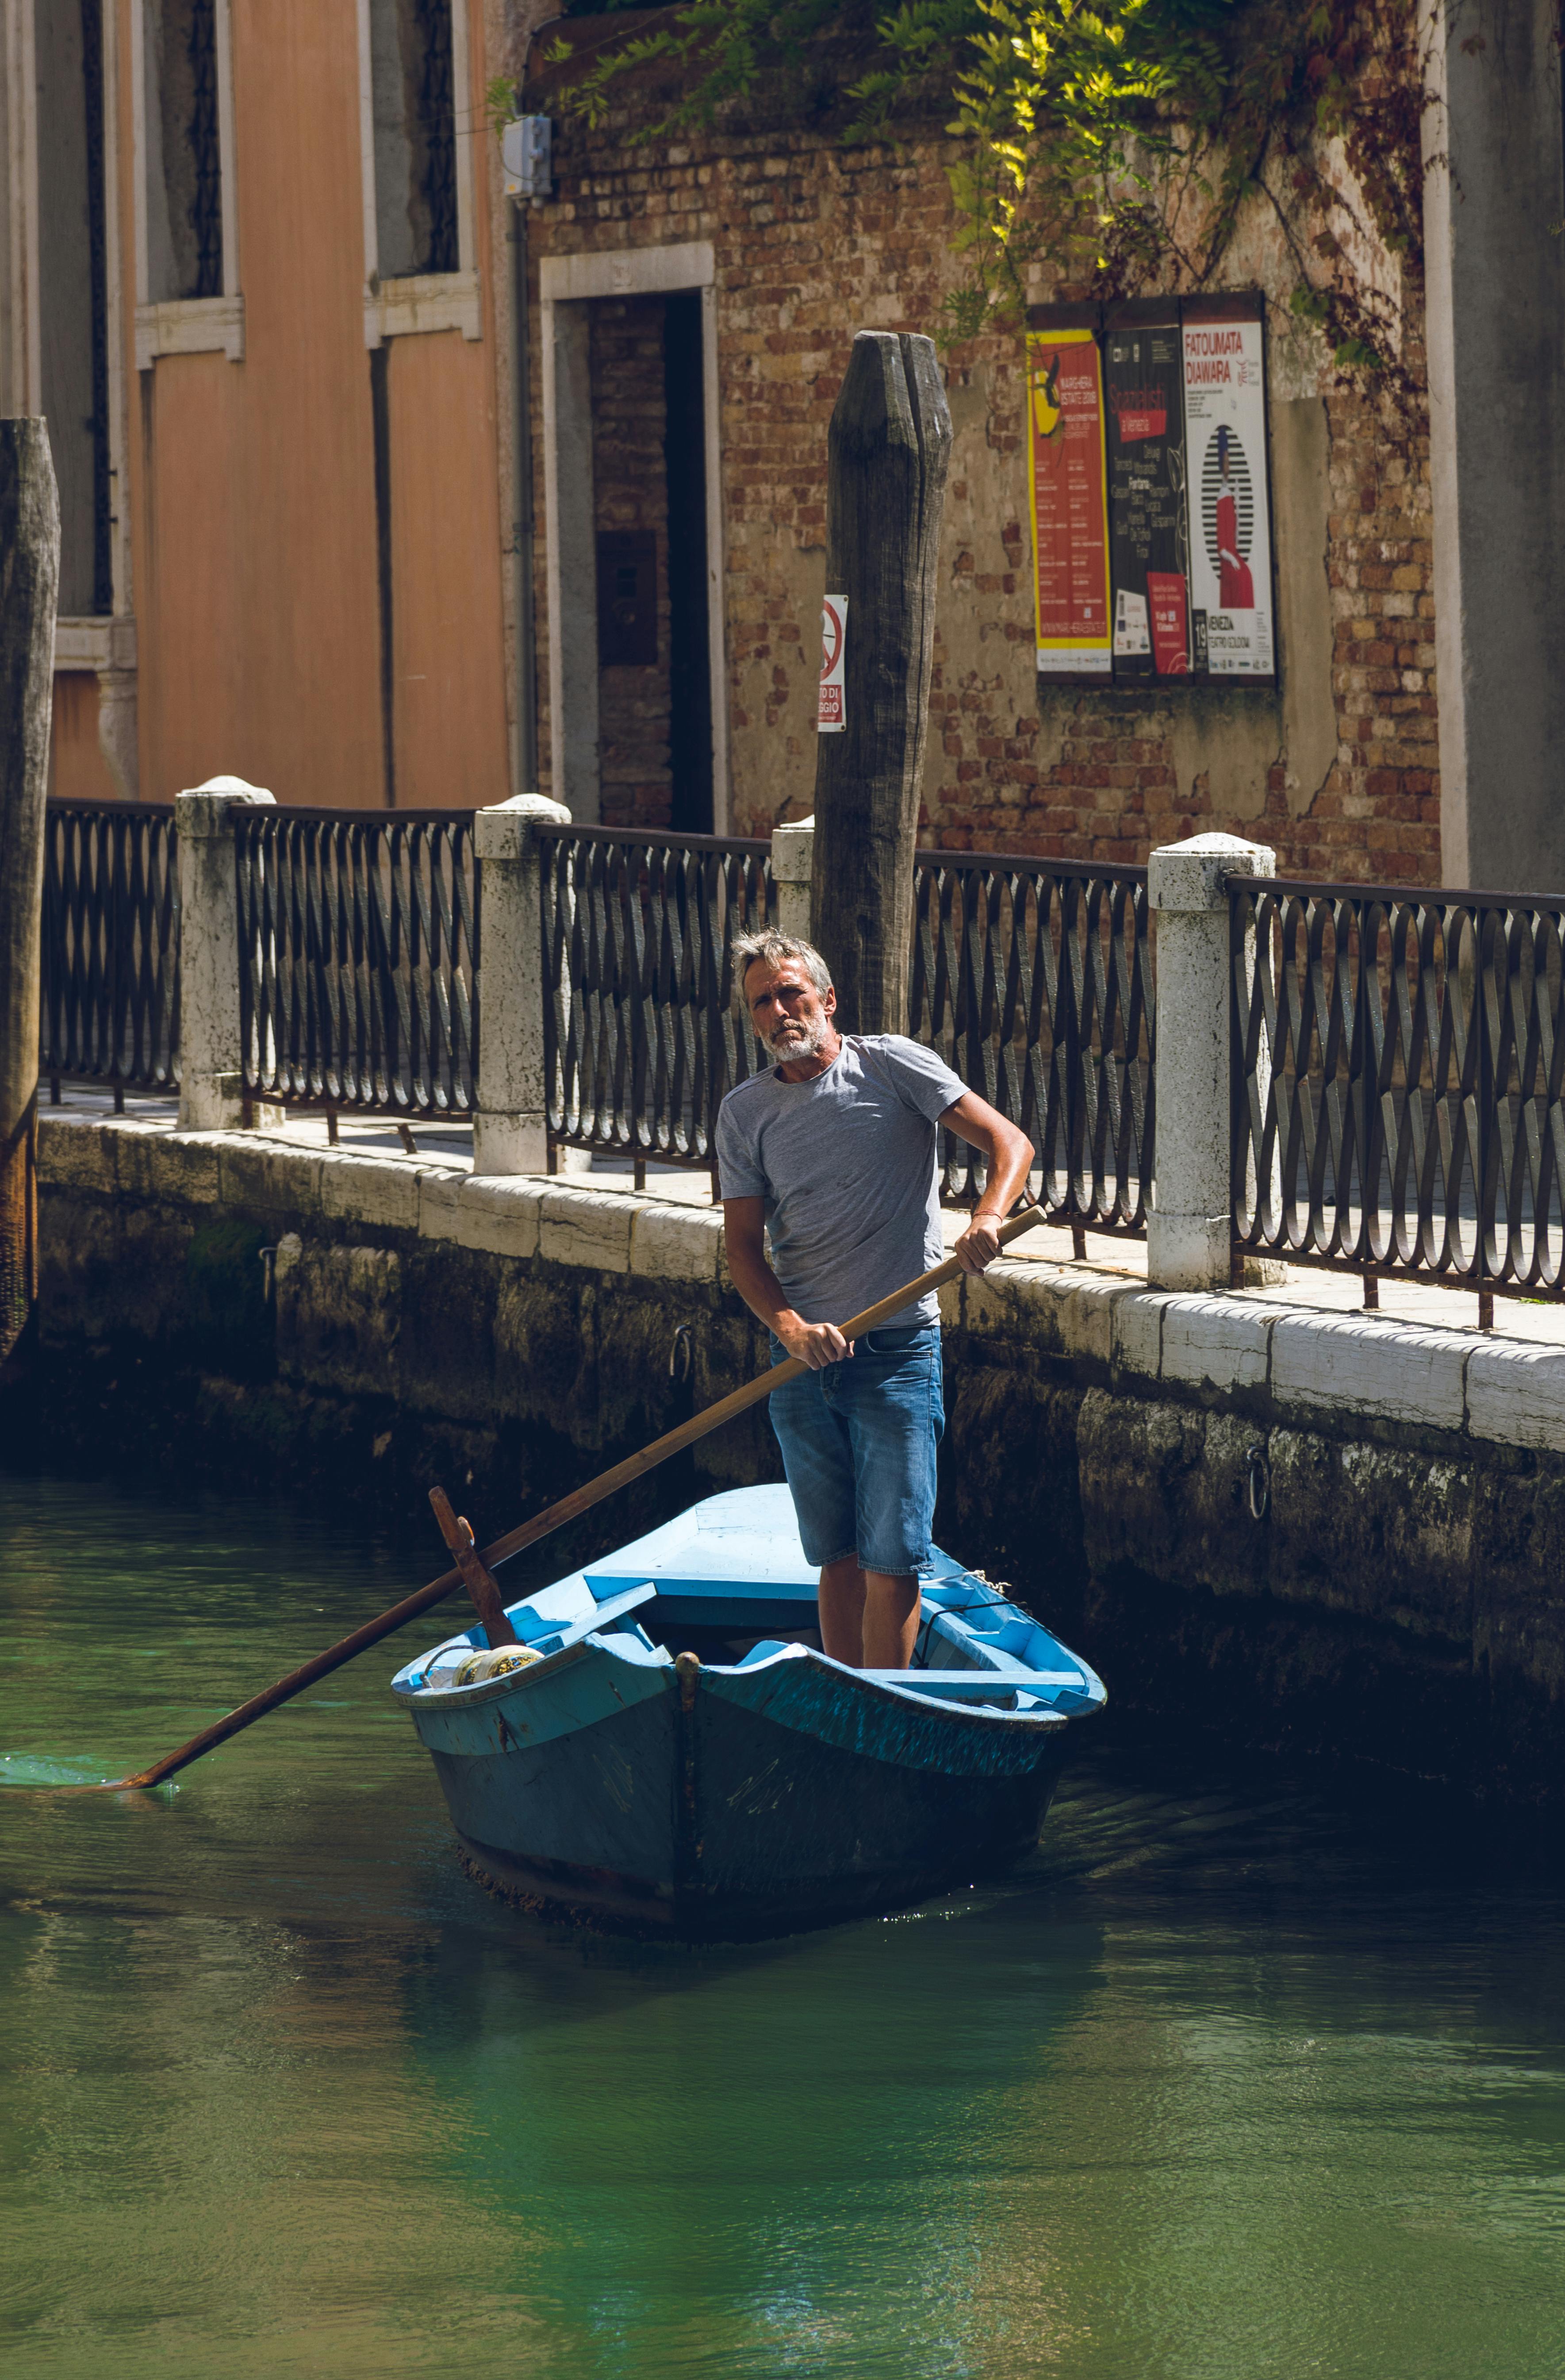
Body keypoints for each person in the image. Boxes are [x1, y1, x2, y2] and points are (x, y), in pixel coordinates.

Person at [715, 931, 1034, 1673]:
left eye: (791, 992)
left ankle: (882, 1702)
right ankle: (845, 1696)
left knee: (893, 1558)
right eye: (762, 1000)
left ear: (827, 1000)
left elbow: (1008, 1144)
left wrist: (986, 1218)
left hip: (896, 1354)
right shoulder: (744, 1113)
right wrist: (790, 1328)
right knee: (838, 1555)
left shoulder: (891, 1064)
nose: (779, 1010)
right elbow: (741, 1249)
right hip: (799, 1364)